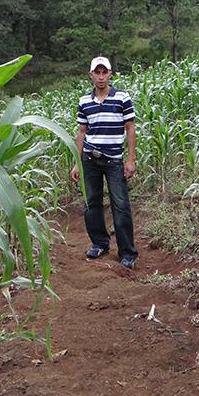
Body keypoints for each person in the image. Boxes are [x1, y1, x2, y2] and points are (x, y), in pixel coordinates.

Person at [70, 56, 138, 269]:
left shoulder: (122, 98)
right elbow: (82, 131)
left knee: (120, 204)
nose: (100, 77)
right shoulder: (84, 101)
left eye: (104, 72)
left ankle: (127, 252)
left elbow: (130, 127)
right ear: (91, 75)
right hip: (90, 158)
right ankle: (100, 243)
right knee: (92, 203)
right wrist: (77, 163)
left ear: (110, 74)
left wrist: (130, 159)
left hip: (114, 160)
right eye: (96, 72)